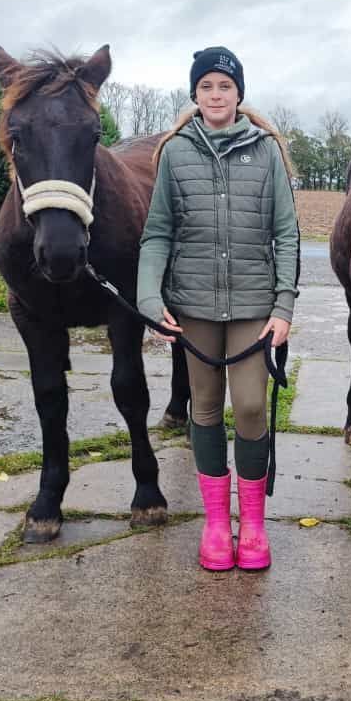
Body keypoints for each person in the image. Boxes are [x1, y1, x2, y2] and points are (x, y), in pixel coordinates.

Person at [138, 46, 299, 571]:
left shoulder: (266, 151)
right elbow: (158, 232)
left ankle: (251, 524)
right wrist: (148, 299)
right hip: (194, 309)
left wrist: (284, 307)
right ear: (195, 94)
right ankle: (214, 525)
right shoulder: (176, 151)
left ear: (238, 94)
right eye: (206, 86)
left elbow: (286, 235)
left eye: (224, 86)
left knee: (250, 406)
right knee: (202, 409)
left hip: (254, 305)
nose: (215, 95)